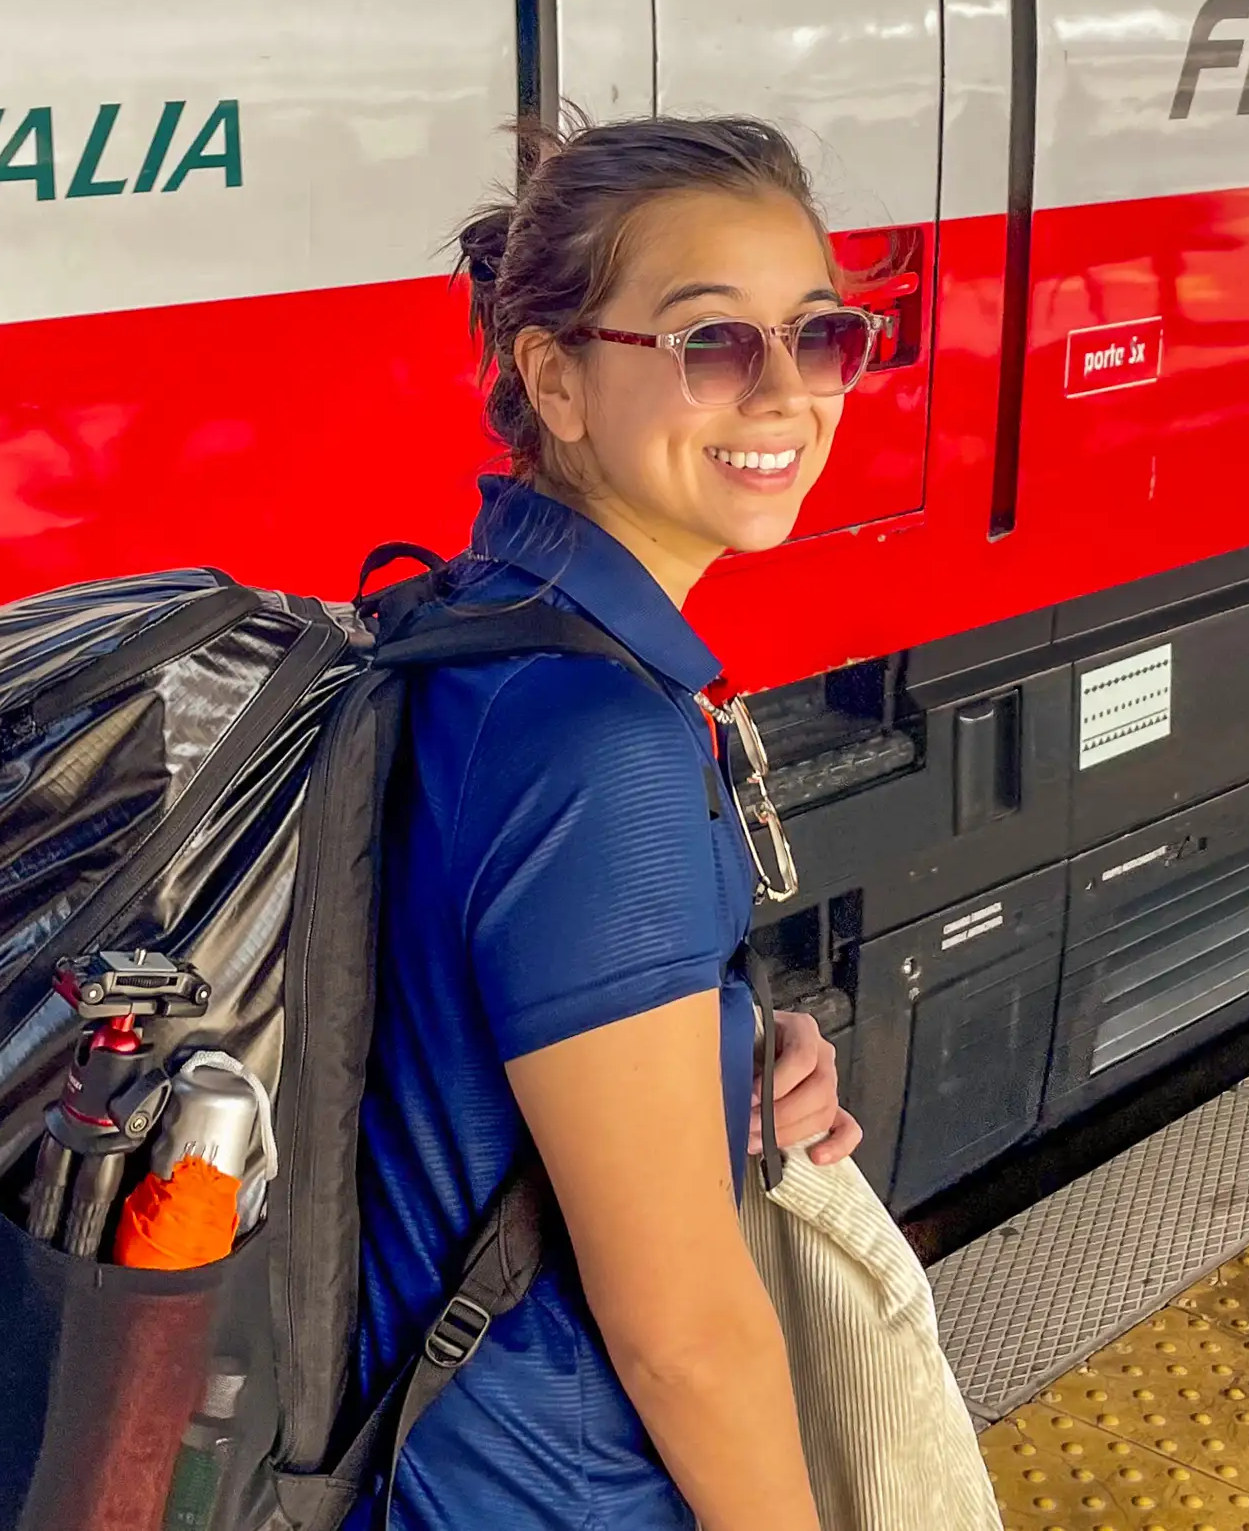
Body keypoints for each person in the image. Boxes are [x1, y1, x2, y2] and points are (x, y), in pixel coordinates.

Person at [352, 114, 887, 1530]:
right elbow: (683, 1334)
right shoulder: (599, 739)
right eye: (714, 344)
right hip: (543, 1492)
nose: (784, 394)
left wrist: (710, 1059)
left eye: (820, 336)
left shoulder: (469, 626)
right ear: (557, 380)